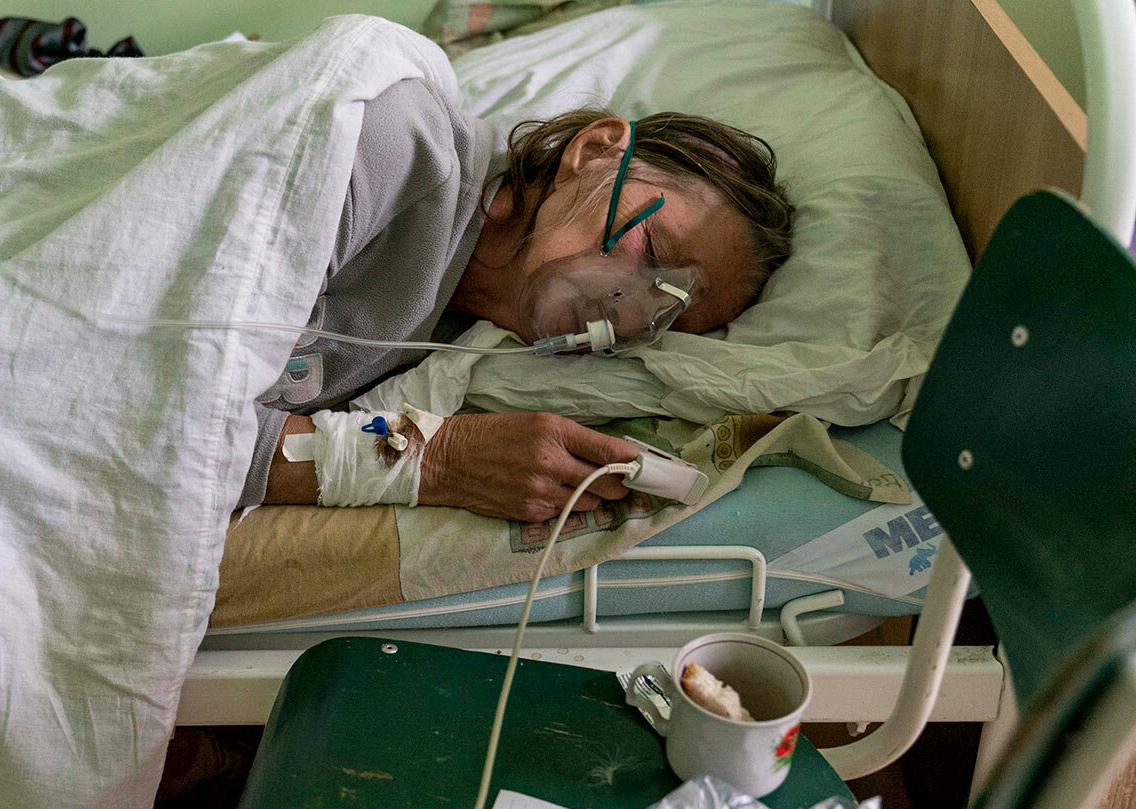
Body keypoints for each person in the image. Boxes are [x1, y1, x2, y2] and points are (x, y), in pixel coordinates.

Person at [246, 78, 794, 523]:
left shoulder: (457, 348)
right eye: (651, 248)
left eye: (669, 313)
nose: (631, 312)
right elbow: (171, 420)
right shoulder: (390, 147)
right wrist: (436, 460)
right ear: (595, 151)